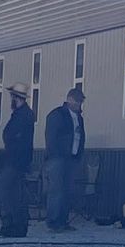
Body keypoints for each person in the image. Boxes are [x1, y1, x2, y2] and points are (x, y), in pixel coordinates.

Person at [42, 85, 86, 232]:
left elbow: (80, 137)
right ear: (68, 100)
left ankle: (62, 220)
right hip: (58, 159)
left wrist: (78, 154)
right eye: (76, 101)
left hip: (72, 158)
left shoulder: (79, 118)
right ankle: (53, 221)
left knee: (67, 190)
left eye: (80, 102)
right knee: (56, 190)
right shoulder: (57, 115)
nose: (78, 104)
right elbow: (51, 137)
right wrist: (56, 154)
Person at [0, 87, 36, 238]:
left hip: (16, 160)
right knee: (12, 192)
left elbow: (14, 137)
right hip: (16, 159)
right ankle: (12, 224)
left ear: (16, 97)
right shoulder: (22, 114)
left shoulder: (23, 115)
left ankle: (14, 224)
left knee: (7, 191)